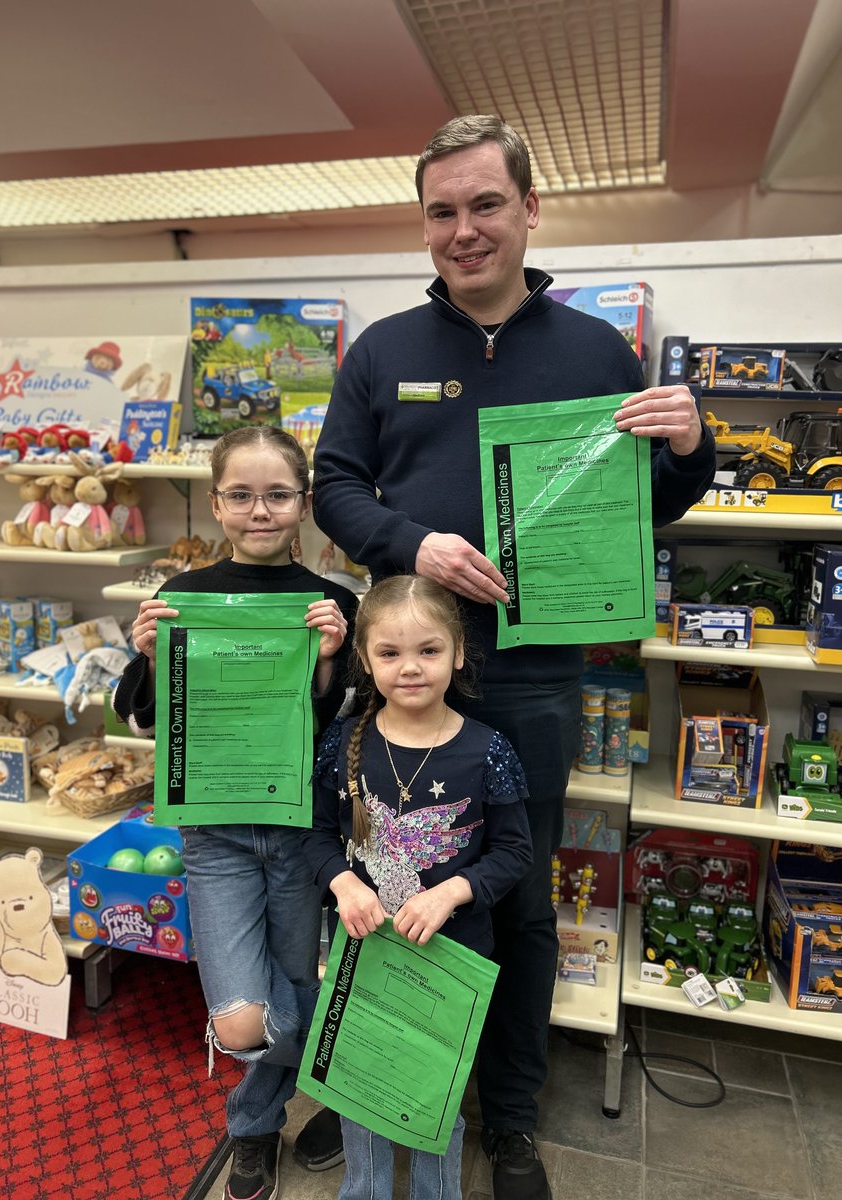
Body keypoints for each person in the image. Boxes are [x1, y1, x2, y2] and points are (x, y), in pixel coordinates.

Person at [312, 115, 717, 1200]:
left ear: (530, 210)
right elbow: (334, 488)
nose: (464, 229)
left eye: (485, 204)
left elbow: (649, 509)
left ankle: (509, 1114)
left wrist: (690, 445)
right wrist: (414, 544)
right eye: (442, 211)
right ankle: (373, 1078)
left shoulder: (592, 350)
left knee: (512, 894)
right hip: (401, 664)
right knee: (381, 881)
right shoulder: (383, 351)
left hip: (532, 677)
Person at [113, 425, 359, 1200]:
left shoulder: (332, 603)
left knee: (279, 988)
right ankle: (353, 1053)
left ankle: (252, 1131)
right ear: (216, 504)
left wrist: (329, 668)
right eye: (243, 496)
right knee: (241, 1023)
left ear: (305, 505)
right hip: (215, 835)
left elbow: (343, 731)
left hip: (301, 838)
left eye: (278, 495)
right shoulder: (180, 598)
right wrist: (150, 654)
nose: (262, 511)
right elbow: (144, 720)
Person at [302, 575, 533, 1200]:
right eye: (390, 653)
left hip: (452, 958)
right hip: (363, 952)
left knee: (439, 1095)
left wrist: (451, 891)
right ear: (364, 659)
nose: (410, 668)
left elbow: (515, 853)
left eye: (428, 651)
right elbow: (316, 840)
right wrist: (345, 884)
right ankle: (366, 1191)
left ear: (459, 653)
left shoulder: (488, 751)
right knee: (359, 1090)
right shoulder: (342, 745)